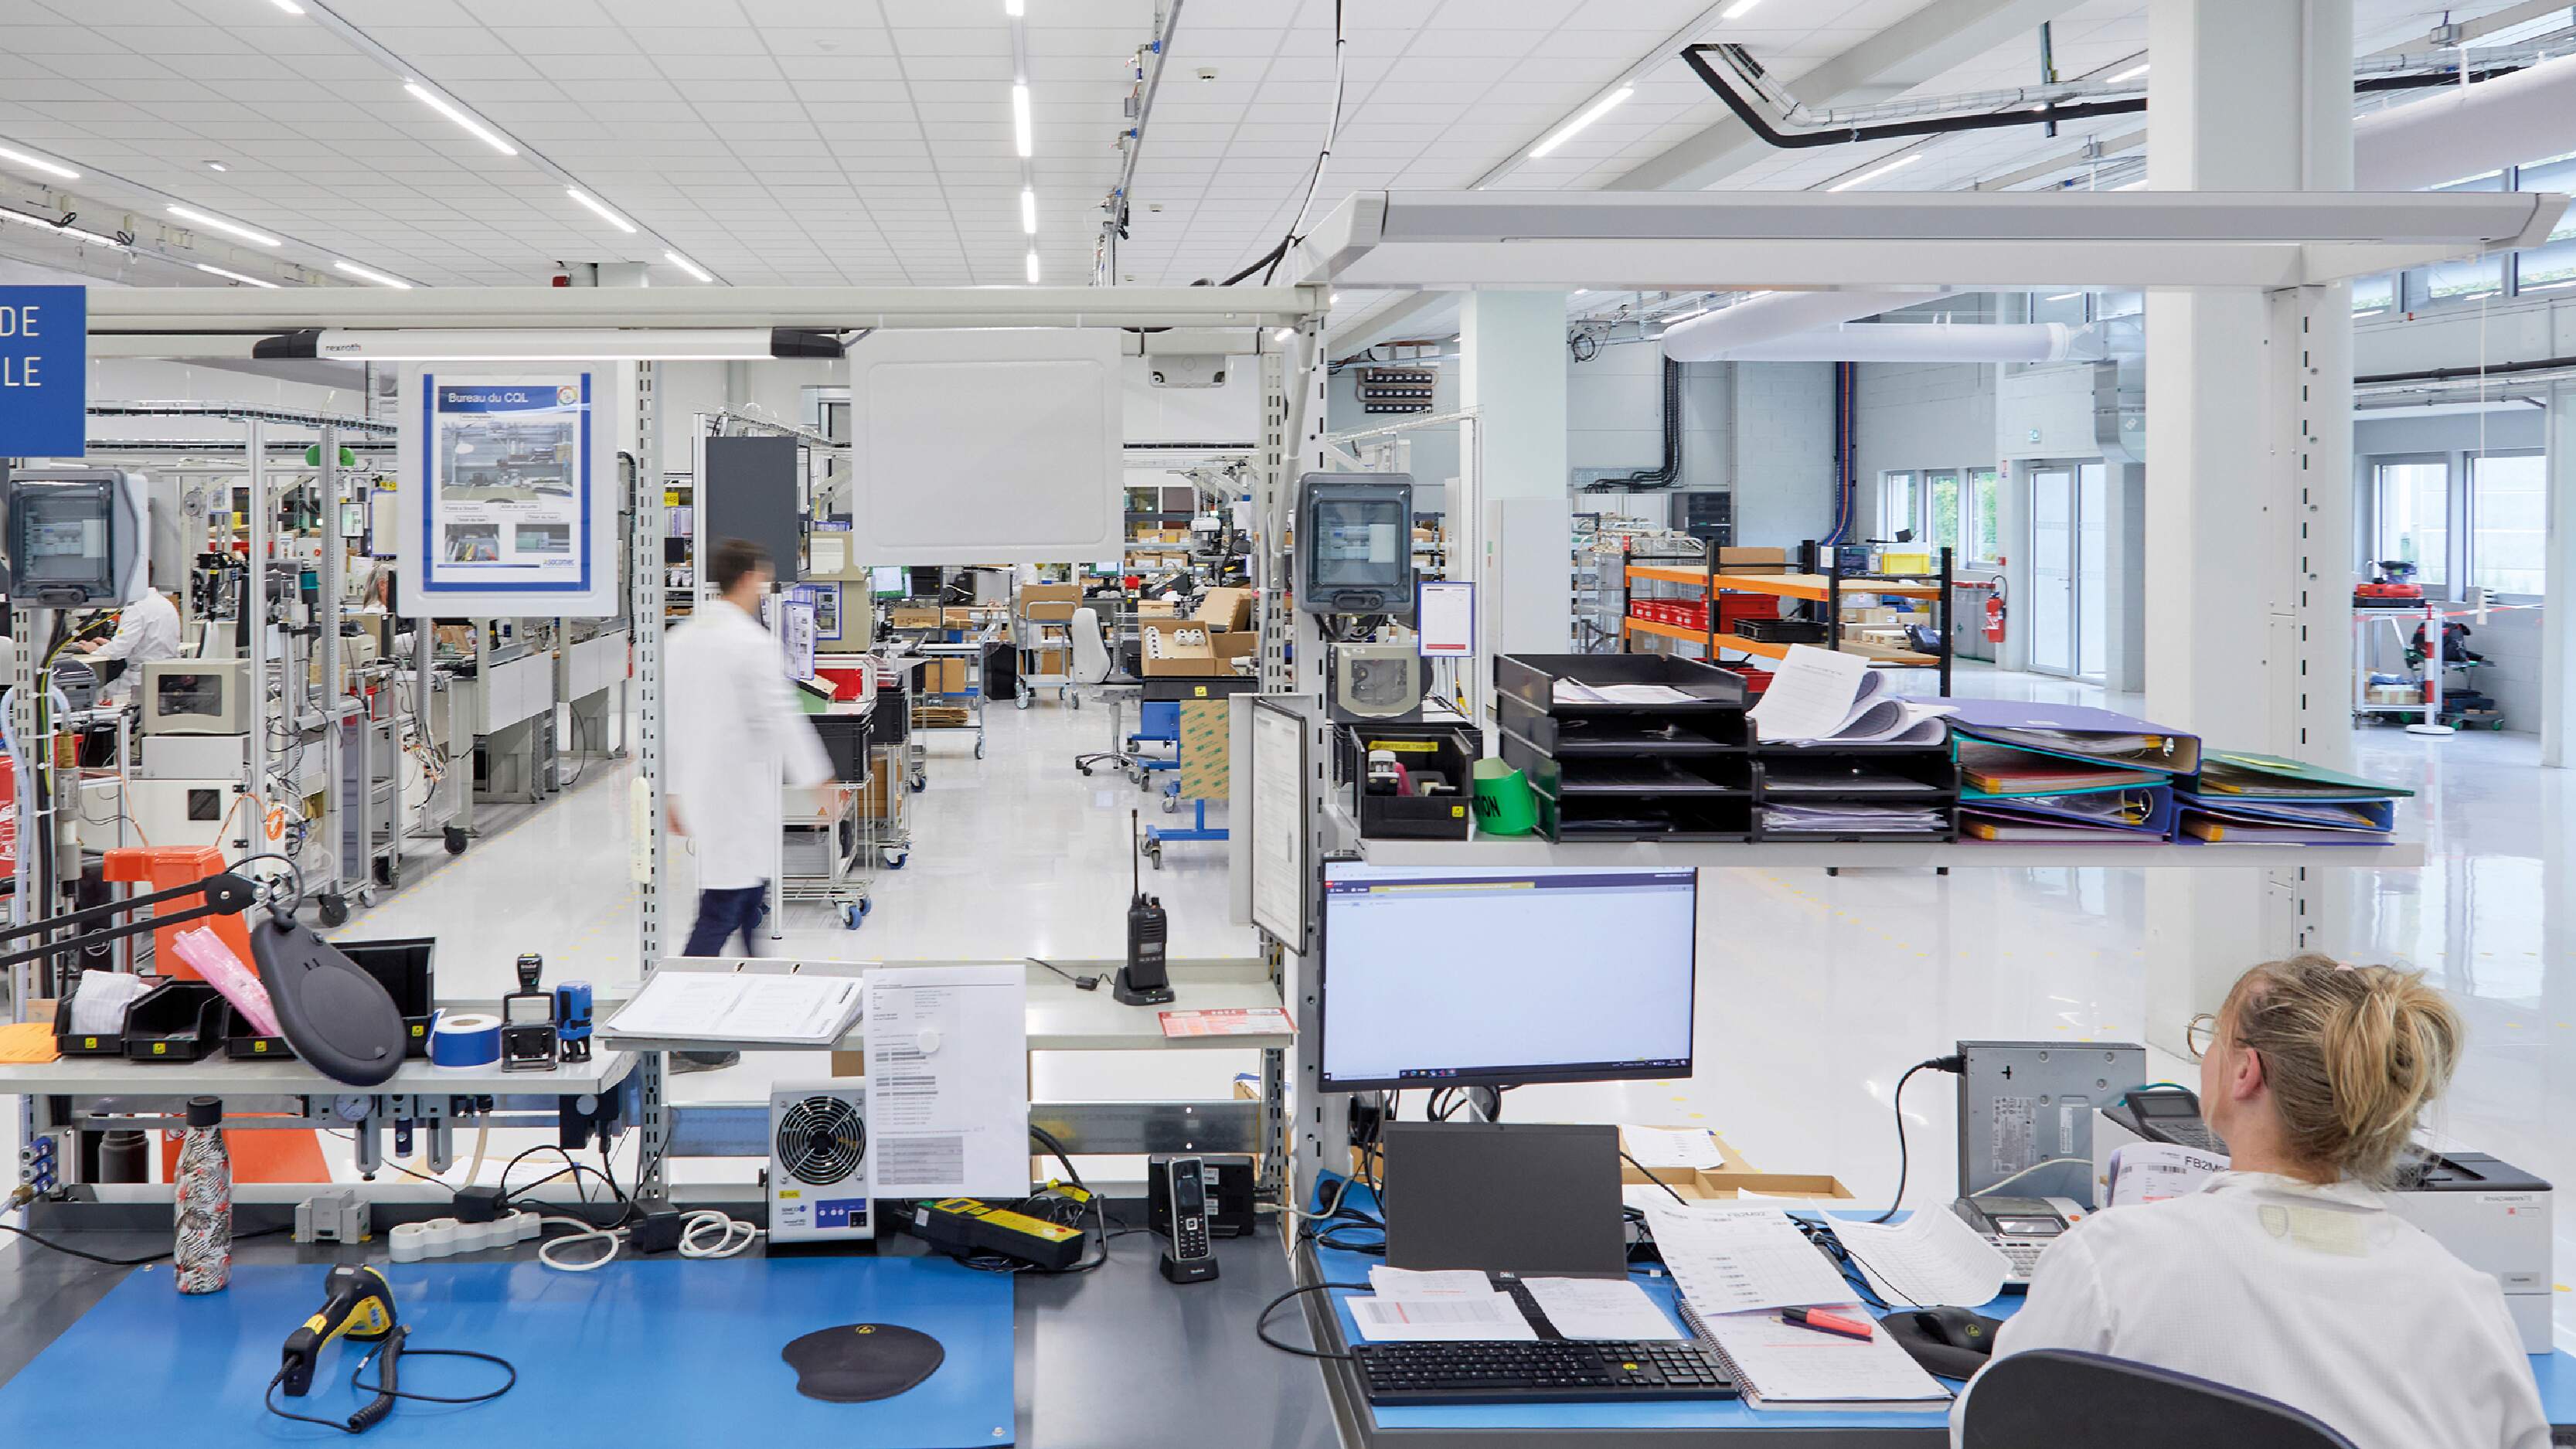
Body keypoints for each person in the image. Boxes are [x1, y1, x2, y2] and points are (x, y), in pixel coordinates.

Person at [1952, 953, 2545, 1449]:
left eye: (2213, 1035)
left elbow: (1986, 1424)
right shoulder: (2465, 1301)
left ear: (2244, 1072)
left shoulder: (2109, 1260)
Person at [665, 538, 831, 1066]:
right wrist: (818, 776)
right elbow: (782, 715)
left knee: (748, 902)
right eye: (763, 577)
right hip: (738, 796)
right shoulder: (751, 643)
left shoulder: (684, 637)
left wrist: (671, 787)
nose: (765, 588)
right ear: (748, 577)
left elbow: (665, 718)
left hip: (707, 791)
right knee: (721, 911)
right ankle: (685, 1032)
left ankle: (755, 1003)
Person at [73, 584, 182, 703]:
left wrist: (95, 650)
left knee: (91, 699)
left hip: (140, 681)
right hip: (164, 677)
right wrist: (110, 645)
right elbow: (147, 642)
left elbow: (118, 651)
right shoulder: (164, 603)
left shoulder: (137, 607)